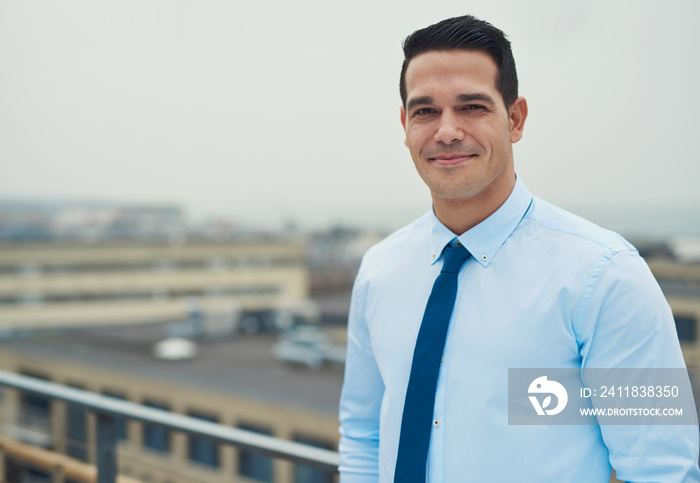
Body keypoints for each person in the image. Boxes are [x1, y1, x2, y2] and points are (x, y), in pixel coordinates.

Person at [338, 14, 700, 483]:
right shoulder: (378, 271)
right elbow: (364, 435)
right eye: (425, 111)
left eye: (471, 107)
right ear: (405, 124)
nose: (446, 131)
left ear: (515, 119)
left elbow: (661, 471)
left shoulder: (607, 276)